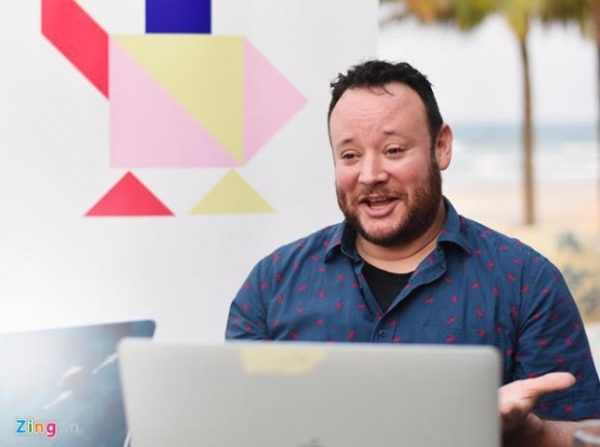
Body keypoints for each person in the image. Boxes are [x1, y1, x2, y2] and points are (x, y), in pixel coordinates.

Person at [225, 60, 600, 445]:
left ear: (441, 147)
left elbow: (586, 435)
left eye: (393, 150)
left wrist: (530, 432)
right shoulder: (272, 284)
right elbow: (234, 425)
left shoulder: (526, 282)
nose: (370, 175)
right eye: (350, 155)